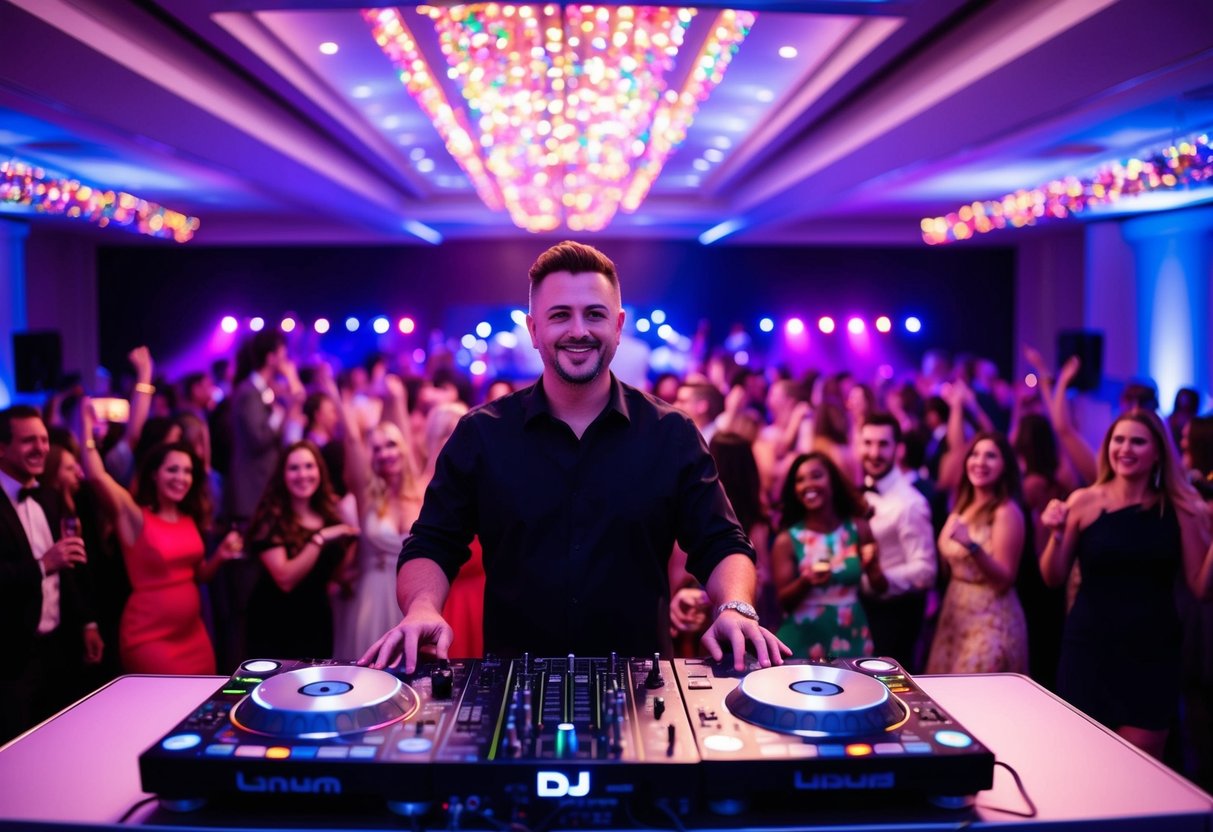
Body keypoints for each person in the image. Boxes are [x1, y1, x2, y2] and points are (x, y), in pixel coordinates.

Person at [362, 241, 787, 671]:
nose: (578, 330)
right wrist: (421, 608)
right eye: (560, 314)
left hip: (641, 688)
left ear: (618, 326)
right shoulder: (481, 434)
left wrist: (735, 606)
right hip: (512, 683)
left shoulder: (670, 434)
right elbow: (432, 543)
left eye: (595, 314)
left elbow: (722, 542)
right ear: (533, 329)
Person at [1040, 409, 1213, 759]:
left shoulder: (1182, 507)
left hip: (1151, 654)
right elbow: (1052, 576)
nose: (1126, 448)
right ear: (1108, 447)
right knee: (1080, 762)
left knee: (1140, 770)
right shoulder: (1084, 501)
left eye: (1138, 441)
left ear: (1158, 452)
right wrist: (1056, 534)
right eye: (1119, 439)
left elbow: (1201, 588)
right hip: (1088, 649)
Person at [81, 416, 243, 674]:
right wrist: (86, 428)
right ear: (154, 474)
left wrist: (221, 555)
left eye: (187, 471)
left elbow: (198, 575)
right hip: (149, 639)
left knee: (202, 708)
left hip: (194, 636)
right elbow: (97, 477)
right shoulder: (134, 517)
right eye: (172, 470)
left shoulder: (189, 517)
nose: (181, 478)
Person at [0, 405, 102, 743]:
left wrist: (88, 622)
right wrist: (43, 565)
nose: (41, 448)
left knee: (60, 737)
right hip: (13, 655)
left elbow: (66, 570)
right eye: (29, 441)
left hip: (60, 646)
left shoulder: (49, 496)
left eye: (44, 439)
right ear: (2, 447)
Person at [926, 431, 1030, 674]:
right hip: (955, 612)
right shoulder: (962, 504)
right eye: (975, 454)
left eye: (991, 456)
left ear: (1005, 466)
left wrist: (972, 546)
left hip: (990, 619)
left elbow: (1005, 580)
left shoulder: (1006, 512)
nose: (980, 462)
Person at [246, 441, 358, 659]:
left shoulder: (329, 512)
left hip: (317, 618)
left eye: (309, 466)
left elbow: (335, 575)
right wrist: (319, 539)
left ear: (319, 470)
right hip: (277, 621)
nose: (303, 474)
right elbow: (285, 579)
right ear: (282, 475)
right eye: (294, 468)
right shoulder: (271, 518)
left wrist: (353, 542)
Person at [773, 452, 885, 660]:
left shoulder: (858, 528)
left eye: (816, 476)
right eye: (800, 480)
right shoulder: (788, 540)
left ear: (832, 481)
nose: (808, 485)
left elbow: (880, 587)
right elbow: (783, 601)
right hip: (804, 636)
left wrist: (872, 566)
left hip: (851, 631)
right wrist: (806, 581)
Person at [857, 414, 937, 669]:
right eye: (868, 443)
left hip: (894, 616)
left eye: (883, 444)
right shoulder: (857, 492)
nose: (874, 452)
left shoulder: (910, 503)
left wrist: (879, 581)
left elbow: (926, 570)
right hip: (859, 613)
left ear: (898, 449)